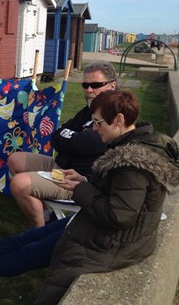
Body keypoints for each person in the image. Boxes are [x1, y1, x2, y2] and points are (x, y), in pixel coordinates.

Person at [0, 90, 179, 305]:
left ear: (120, 120)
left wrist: (79, 190)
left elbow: (119, 215)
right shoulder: (135, 146)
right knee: (31, 237)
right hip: (108, 231)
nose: (94, 129)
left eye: (98, 123)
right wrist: (84, 182)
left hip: (112, 242)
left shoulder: (131, 164)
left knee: (33, 251)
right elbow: (117, 198)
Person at [8, 61, 117, 227]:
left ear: (112, 86)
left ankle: (38, 234)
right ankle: (47, 216)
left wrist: (71, 138)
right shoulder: (90, 108)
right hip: (62, 166)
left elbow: (85, 142)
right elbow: (57, 136)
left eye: (95, 85)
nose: (89, 90)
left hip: (79, 179)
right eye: (85, 85)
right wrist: (72, 138)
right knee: (15, 159)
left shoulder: (115, 113)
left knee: (19, 183)